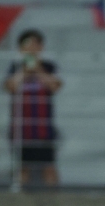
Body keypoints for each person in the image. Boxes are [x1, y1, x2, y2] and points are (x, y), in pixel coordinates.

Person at [4, 29, 63, 187]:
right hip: (23, 128)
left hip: (44, 127)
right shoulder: (16, 67)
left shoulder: (48, 66)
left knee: (49, 167)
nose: (31, 49)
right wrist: (24, 71)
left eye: (35, 45)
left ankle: (54, 200)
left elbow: (55, 85)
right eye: (27, 45)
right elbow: (10, 86)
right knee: (23, 167)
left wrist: (37, 69)